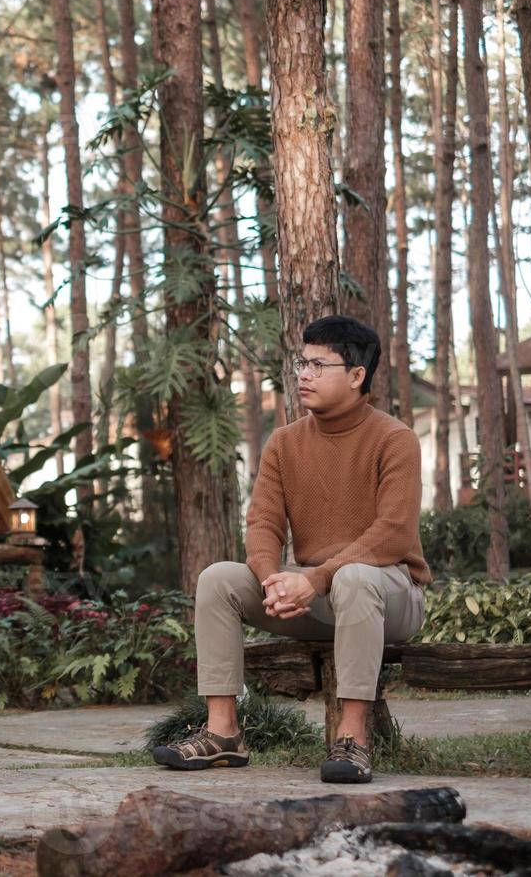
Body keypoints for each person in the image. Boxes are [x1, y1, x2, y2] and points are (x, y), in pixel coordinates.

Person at [151, 314, 432, 783]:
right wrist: (271, 580)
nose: (303, 374)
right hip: (315, 596)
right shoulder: (283, 443)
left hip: (391, 596)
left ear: (357, 375)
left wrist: (315, 578)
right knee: (218, 578)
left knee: (354, 576)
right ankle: (224, 734)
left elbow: (393, 534)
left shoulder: (394, 439)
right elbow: (262, 524)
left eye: (319, 365)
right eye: (302, 362)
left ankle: (353, 739)